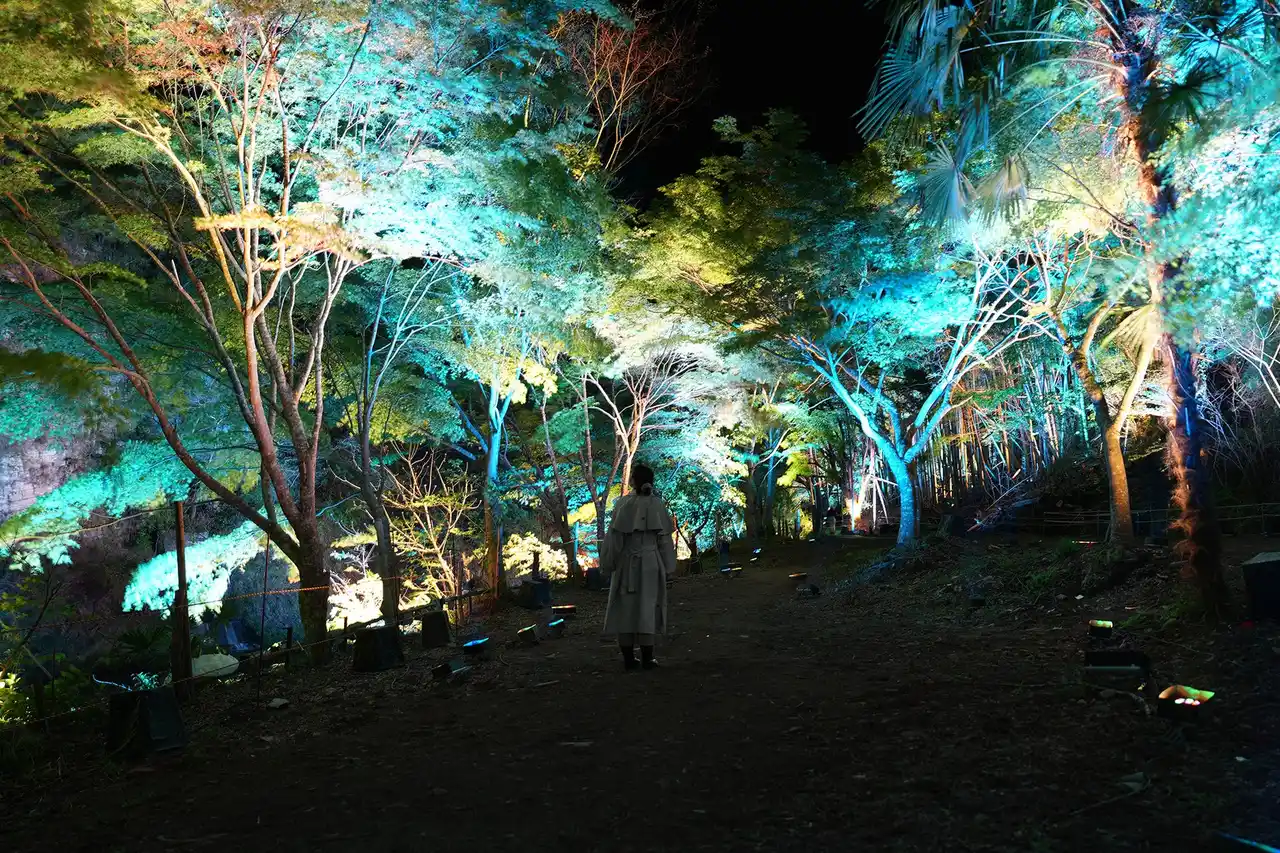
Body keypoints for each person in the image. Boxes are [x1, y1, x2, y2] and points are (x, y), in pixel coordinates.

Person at [600, 464, 675, 670]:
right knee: (647, 607)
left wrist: (608, 564)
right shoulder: (656, 504)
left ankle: (628, 658)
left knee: (626, 607)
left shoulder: (624, 504)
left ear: (634, 480)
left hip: (626, 563)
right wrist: (669, 568)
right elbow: (664, 540)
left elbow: (615, 539)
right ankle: (647, 658)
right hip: (651, 563)